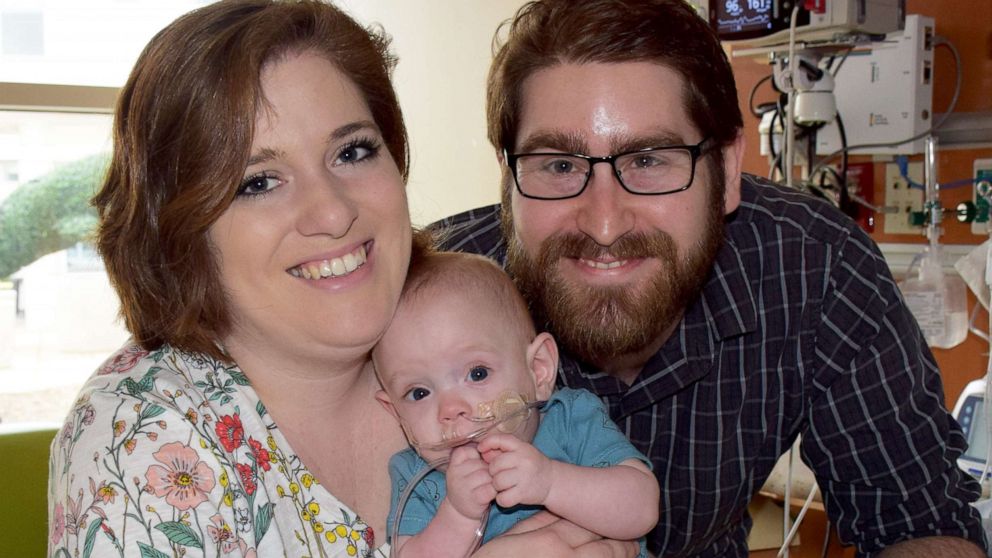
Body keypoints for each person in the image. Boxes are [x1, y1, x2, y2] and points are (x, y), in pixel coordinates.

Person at [47, 2, 639, 557]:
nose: (333, 213)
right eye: (258, 182)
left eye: (353, 152)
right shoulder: (142, 439)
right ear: (179, 231)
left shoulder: (470, 321)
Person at [436, 0, 989, 556]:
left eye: (650, 160)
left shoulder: (815, 269)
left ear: (725, 172)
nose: (604, 224)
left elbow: (920, 521)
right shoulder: (421, 295)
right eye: (558, 165)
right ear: (508, 178)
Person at [371, 249, 658, 557]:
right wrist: (458, 514)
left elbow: (641, 509)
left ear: (539, 370)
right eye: (419, 393)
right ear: (395, 412)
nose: (450, 410)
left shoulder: (571, 420)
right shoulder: (418, 478)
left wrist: (550, 482)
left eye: (477, 373)